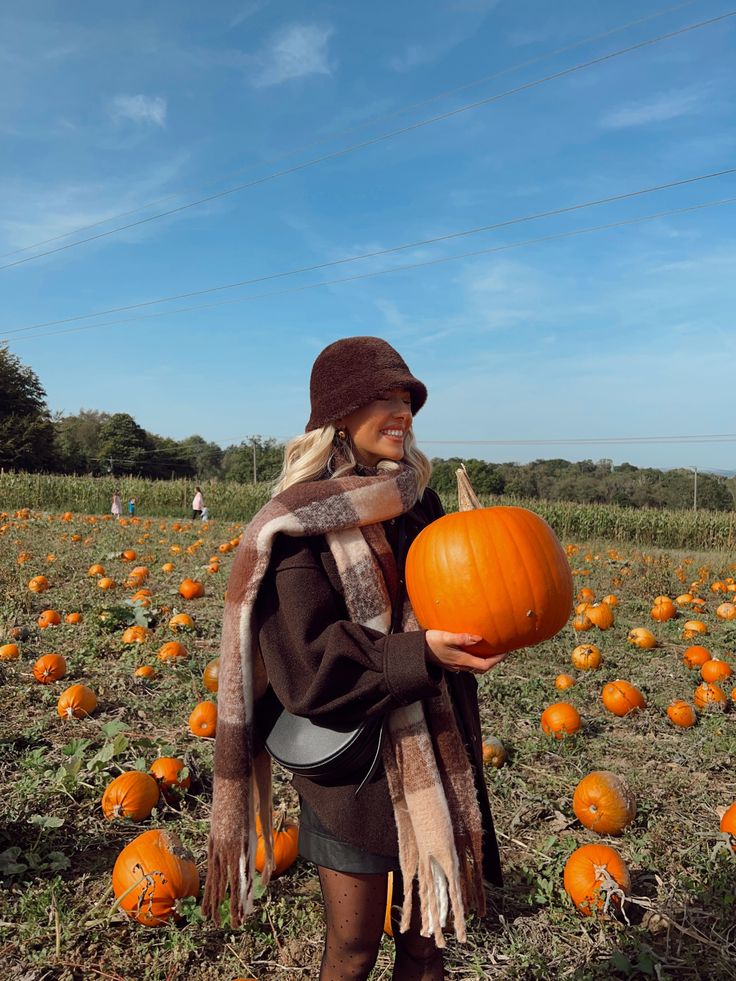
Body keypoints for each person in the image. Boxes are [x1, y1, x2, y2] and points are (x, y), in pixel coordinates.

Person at [204, 337, 503, 981]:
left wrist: (483, 627)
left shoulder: (419, 501)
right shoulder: (294, 524)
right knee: (355, 949)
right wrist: (418, 652)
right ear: (338, 413)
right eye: (383, 400)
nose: (402, 414)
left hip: (430, 738)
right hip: (351, 762)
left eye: (407, 401)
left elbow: (458, 587)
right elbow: (308, 665)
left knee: (427, 945)